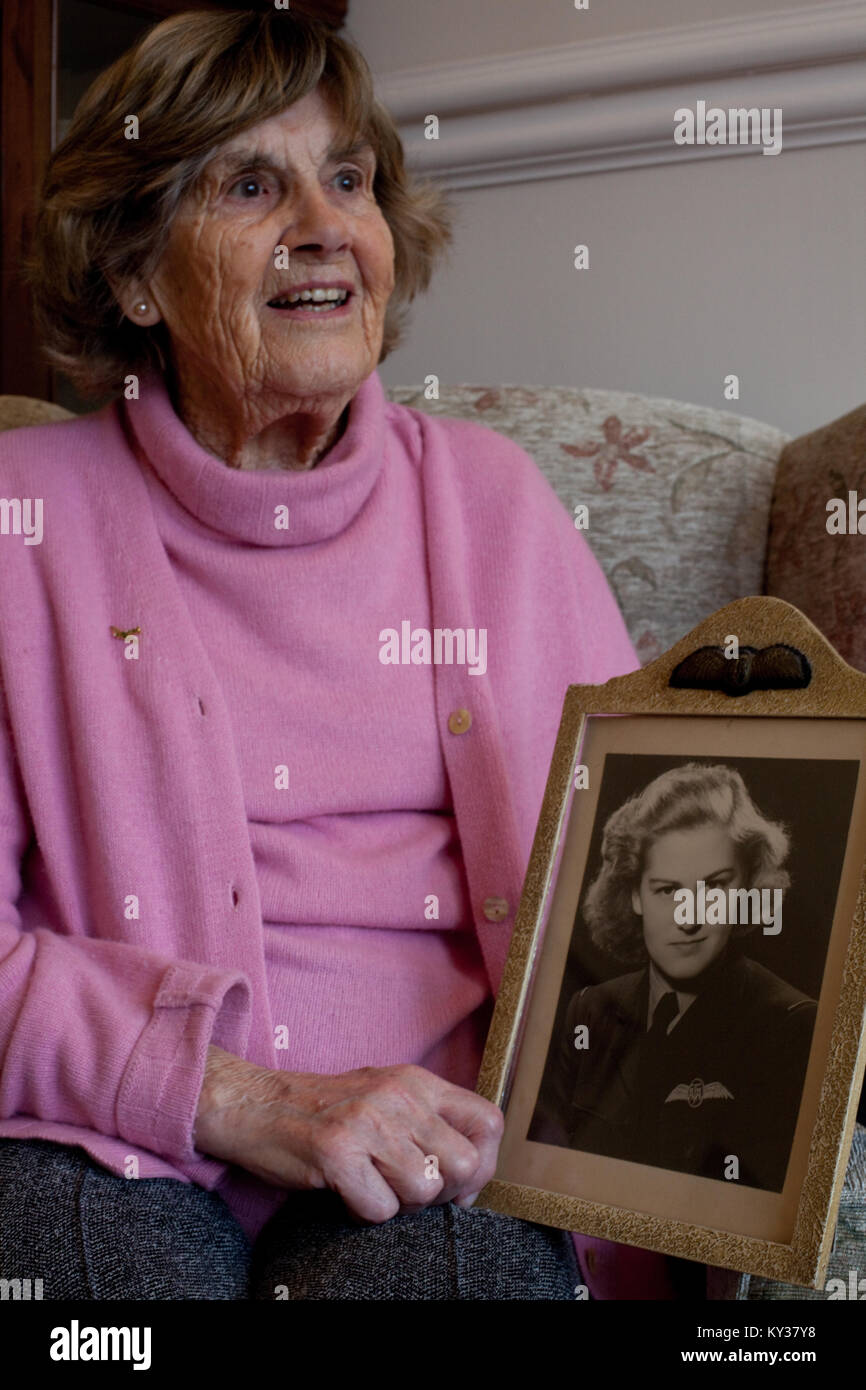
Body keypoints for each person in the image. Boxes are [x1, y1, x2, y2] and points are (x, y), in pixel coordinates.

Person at [0, 10, 638, 1300]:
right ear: (133, 277)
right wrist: (225, 1094)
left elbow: (635, 887)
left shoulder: (498, 509)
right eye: (249, 183)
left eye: (347, 178)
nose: (321, 223)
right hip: (108, 1146)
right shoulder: (21, 523)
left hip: (437, 1163)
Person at [530, 763, 817, 1192]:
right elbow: (544, 1172)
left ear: (749, 889)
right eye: (668, 890)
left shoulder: (791, 1026)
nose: (690, 918)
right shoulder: (588, 1012)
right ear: (634, 895)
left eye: (715, 887)